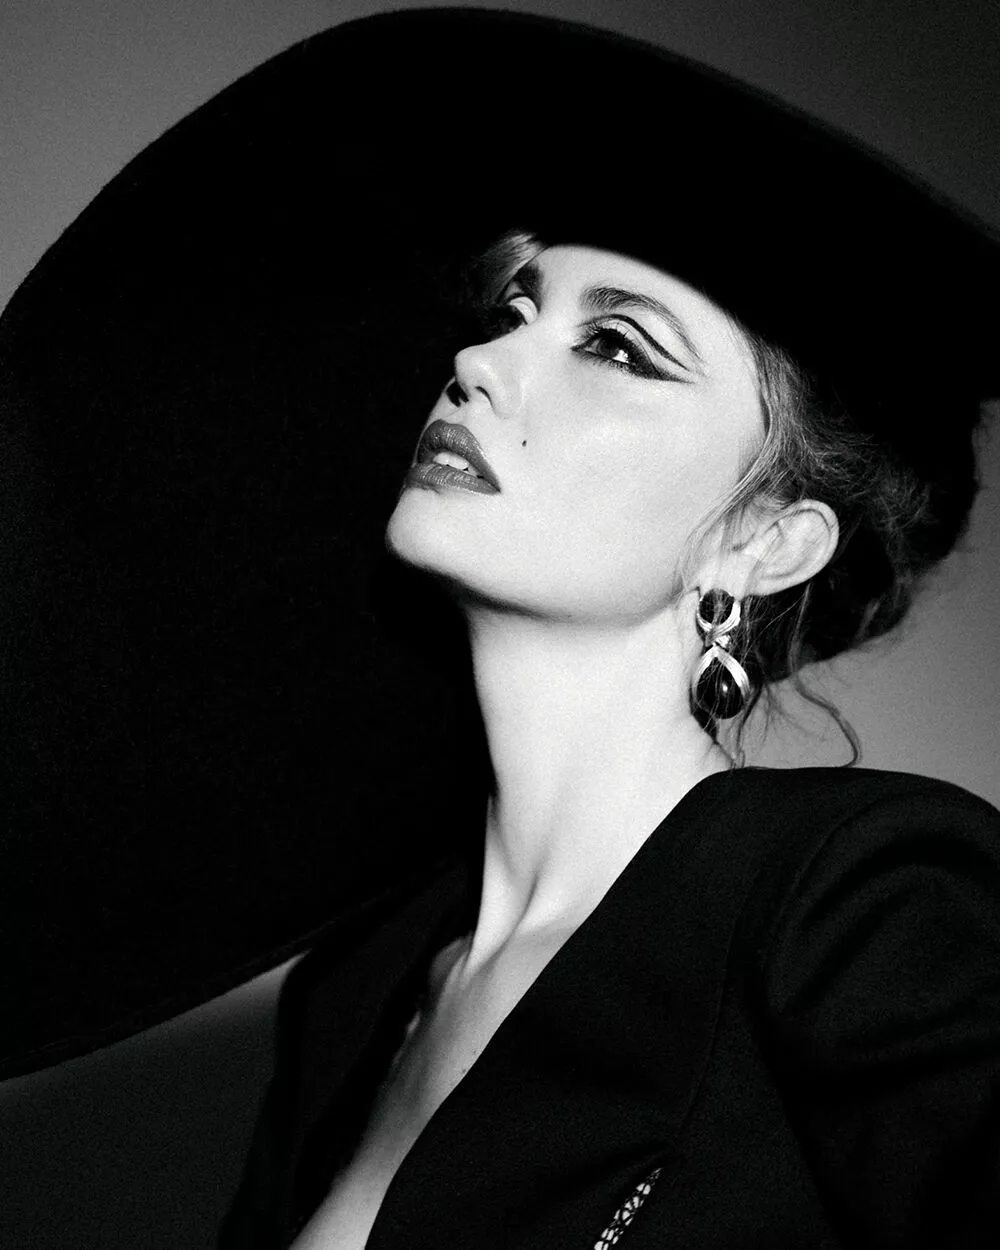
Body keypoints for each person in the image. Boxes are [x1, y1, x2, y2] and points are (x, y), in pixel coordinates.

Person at [1, 9, 997, 1248]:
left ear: (761, 542)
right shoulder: (360, 989)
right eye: (515, 308)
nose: (484, 362)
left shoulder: (860, 901)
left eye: (617, 346)